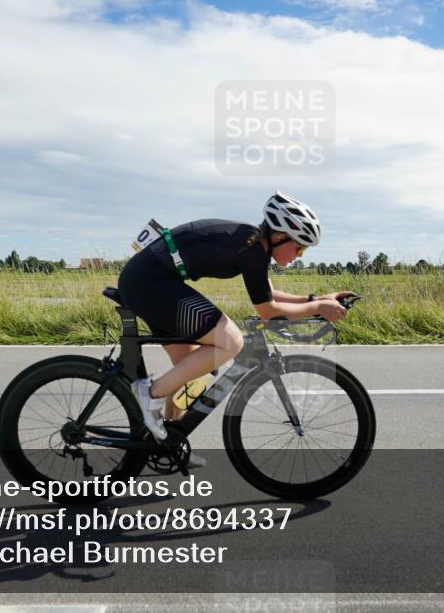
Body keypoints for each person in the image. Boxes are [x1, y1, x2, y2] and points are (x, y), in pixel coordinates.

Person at [116, 192, 354, 462]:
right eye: (299, 247)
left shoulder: (253, 244)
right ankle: (149, 393)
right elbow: (267, 311)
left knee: (193, 372)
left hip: (151, 281)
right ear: (280, 236)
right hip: (149, 283)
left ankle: (168, 443)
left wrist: (318, 300)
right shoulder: (251, 246)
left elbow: (270, 295)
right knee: (231, 341)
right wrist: (318, 309)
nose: (299, 255)